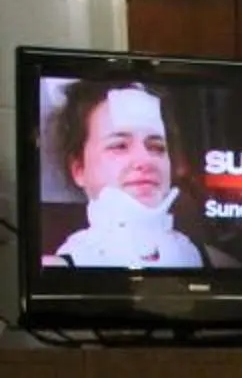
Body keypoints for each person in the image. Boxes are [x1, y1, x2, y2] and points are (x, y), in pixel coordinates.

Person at [45, 74, 204, 269]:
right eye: (119, 146)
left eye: (157, 147)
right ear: (79, 169)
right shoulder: (54, 270)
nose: (145, 160)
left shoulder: (207, 261)